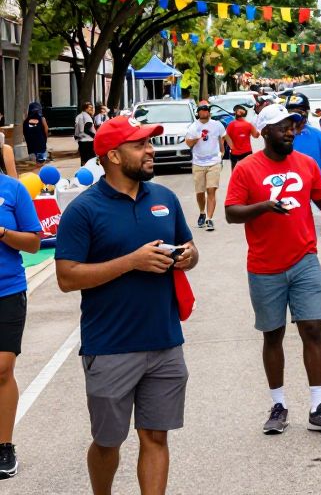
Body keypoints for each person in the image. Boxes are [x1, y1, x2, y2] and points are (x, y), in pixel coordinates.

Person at [55, 115, 198, 495]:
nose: (151, 150)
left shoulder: (165, 199)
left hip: (166, 342)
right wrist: (130, 262)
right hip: (111, 346)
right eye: (141, 145)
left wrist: (188, 256)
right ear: (113, 156)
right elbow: (66, 278)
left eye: (150, 143)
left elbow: (189, 246)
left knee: (156, 437)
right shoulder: (83, 210)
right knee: (108, 441)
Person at [224, 103, 321, 437]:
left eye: (293, 126)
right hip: (264, 266)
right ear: (265, 132)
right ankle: (278, 406)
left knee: (311, 330)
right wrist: (264, 206)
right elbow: (231, 213)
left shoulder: (306, 164)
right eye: (283, 127)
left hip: (304, 259)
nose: (291, 132)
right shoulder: (247, 168)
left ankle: (318, 408)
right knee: (273, 335)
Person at [0, 167, 43, 479]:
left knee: (2, 368)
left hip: (7, 290)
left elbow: (33, 244)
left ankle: (4, 445)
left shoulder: (13, 190)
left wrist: (1, 232)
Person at [285, 94, 321, 244]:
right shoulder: (282, 137)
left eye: (300, 110)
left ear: (307, 111)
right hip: (290, 196)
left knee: (316, 242)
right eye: (292, 111)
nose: (296, 115)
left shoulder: (320, 136)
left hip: (316, 197)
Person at [184, 101, 226, 232]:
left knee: (211, 190)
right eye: (202, 109)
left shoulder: (216, 125)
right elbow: (188, 143)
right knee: (200, 192)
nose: (204, 111)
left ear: (209, 112)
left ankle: (209, 219)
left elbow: (221, 137)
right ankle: (202, 212)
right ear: (198, 113)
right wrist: (197, 138)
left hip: (213, 162)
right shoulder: (193, 127)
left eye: (206, 109)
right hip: (198, 163)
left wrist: (222, 151)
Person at [226, 104, 259, 169]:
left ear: (235, 114)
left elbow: (226, 136)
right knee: (247, 170)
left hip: (234, 152)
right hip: (247, 152)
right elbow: (256, 135)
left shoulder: (231, 125)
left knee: (235, 171)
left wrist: (231, 146)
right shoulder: (249, 125)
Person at [74, 101, 97, 166]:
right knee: (92, 159)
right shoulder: (87, 117)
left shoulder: (79, 116)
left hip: (81, 141)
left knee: (83, 159)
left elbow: (76, 129)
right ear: (85, 109)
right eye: (90, 108)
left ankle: (83, 173)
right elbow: (86, 130)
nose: (91, 109)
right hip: (88, 141)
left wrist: (76, 138)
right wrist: (95, 136)